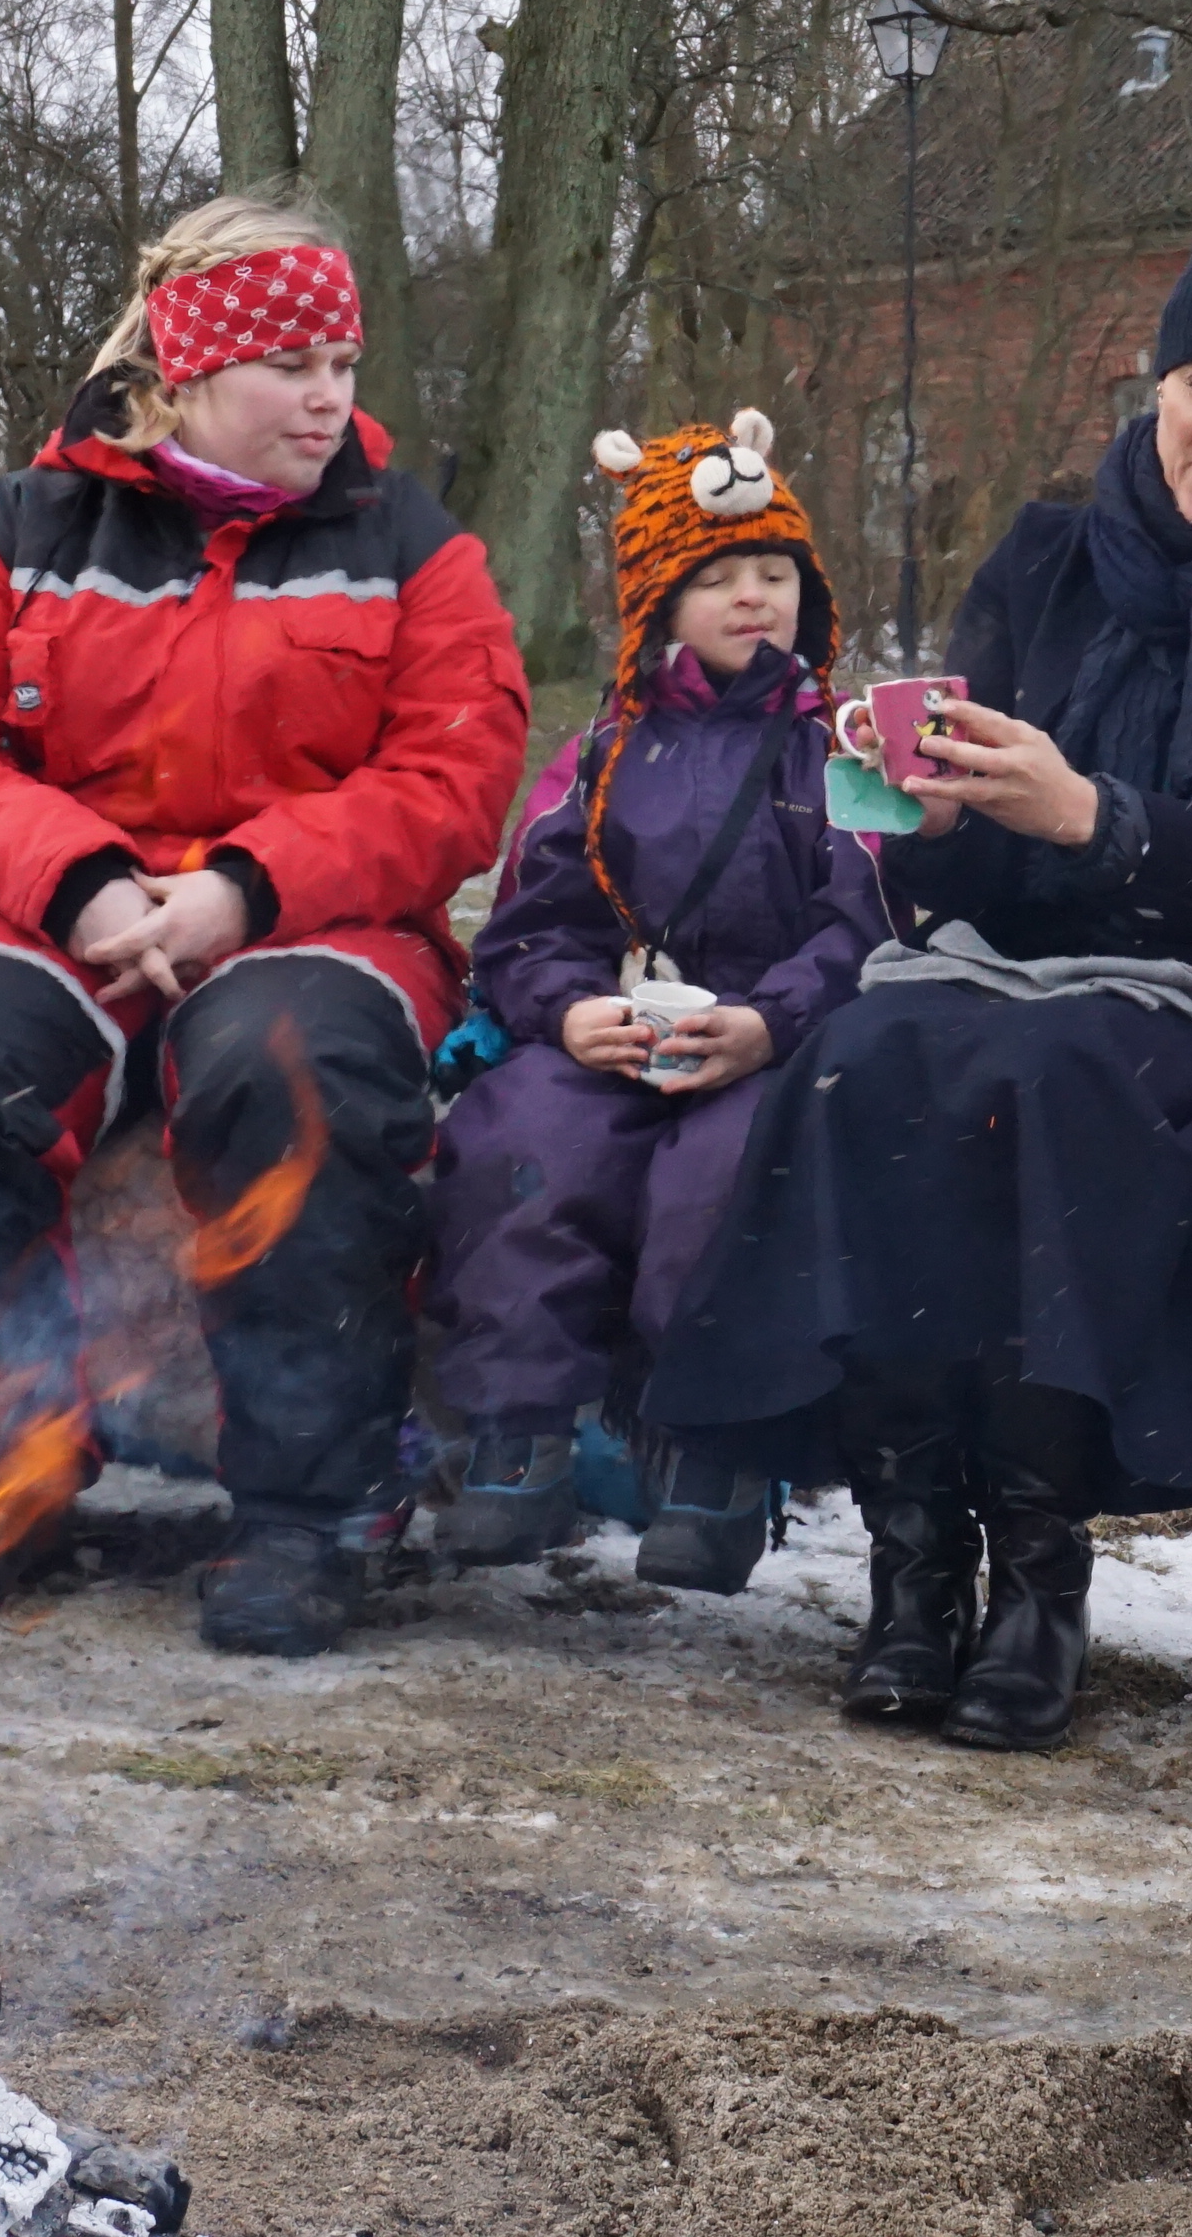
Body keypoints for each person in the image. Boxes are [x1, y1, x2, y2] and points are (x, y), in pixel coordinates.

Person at [644, 142, 1192, 1753]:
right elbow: (960, 857)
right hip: (989, 962)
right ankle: (916, 1567)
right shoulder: (1047, 556)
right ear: (1160, 379)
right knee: (868, 1058)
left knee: (1053, 1078)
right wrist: (923, 814)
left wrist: (1096, 822)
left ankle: (1041, 1576)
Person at [0, 195, 527, 1657]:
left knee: (295, 1073)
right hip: (55, 908)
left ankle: (306, 1512)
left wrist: (242, 887)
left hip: (307, 917)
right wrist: (83, 884)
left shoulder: (415, 546)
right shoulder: (19, 526)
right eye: (296, 367)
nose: (334, 399)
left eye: (346, 363)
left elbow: (455, 777)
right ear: (189, 372)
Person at [424, 412, 891, 1592]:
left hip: (769, 1043)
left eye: (775, 573)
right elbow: (534, 925)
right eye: (719, 576)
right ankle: (515, 1436)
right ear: (654, 603)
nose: (754, 598)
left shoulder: (840, 752)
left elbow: (862, 923)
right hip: (618, 1027)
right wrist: (569, 1012)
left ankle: (709, 1459)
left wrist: (770, 1023)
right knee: (526, 1135)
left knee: (717, 1180)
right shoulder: (602, 759)